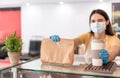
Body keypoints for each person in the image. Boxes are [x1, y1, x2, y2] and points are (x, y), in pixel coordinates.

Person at [49, 9, 120, 77]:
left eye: (100, 20)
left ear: (107, 22)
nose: (96, 23)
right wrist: (59, 42)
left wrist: (108, 57)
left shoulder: (113, 39)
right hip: (88, 73)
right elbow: (72, 43)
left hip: (106, 74)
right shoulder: (87, 36)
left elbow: (114, 50)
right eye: (93, 21)